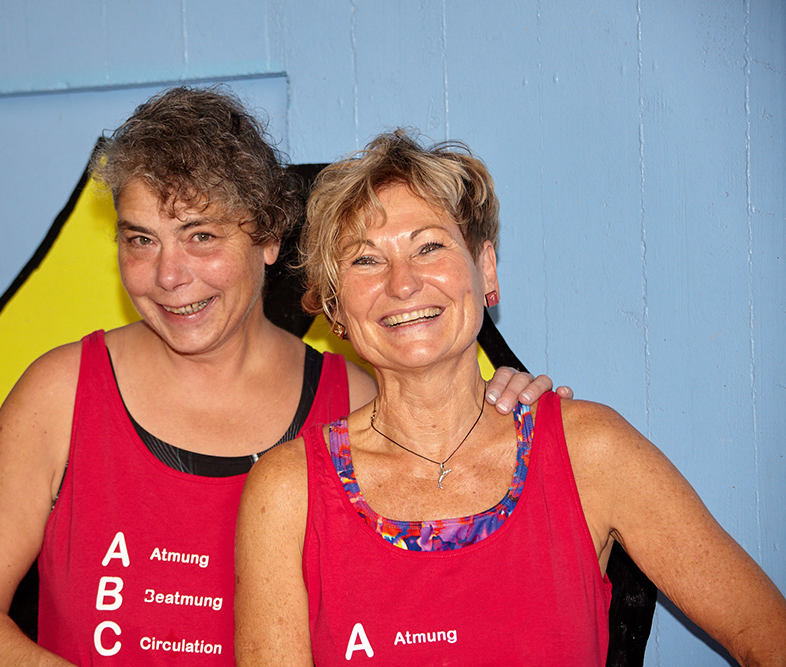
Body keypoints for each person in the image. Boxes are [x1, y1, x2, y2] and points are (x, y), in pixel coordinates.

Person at [0, 88, 560, 666]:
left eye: (200, 236)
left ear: (270, 238)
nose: (169, 276)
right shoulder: (63, 393)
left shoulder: (352, 399)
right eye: (140, 240)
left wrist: (503, 408)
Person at [234, 130, 786, 666]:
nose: (402, 284)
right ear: (334, 307)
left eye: (429, 246)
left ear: (487, 270)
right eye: (365, 259)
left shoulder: (590, 452)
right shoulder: (289, 492)